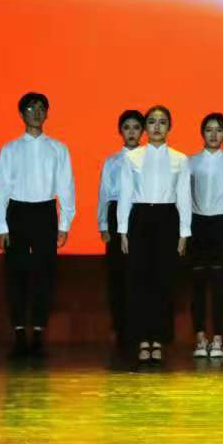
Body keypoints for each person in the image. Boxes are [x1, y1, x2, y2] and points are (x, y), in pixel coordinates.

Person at [0, 91, 75, 357]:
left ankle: (38, 331)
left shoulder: (58, 149)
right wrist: (1, 226)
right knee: (16, 273)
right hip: (17, 212)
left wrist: (64, 224)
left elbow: (66, 188)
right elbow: (0, 189)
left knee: (44, 273)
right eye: (30, 108)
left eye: (41, 108)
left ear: (47, 113)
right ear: (21, 114)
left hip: (45, 212)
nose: (36, 113)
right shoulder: (10, 149)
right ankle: (18, 331)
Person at [118, 104, 191, 364]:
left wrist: (184, 233)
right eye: (151, 122)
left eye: (162, 122)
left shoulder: (180, 159)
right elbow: (125, 195)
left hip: (167, 219)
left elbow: (184, 196)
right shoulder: (132, 158)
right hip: (140, 218)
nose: (157, 127)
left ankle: (158, 339)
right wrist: (123, 231)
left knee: (163, 281)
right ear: (145, 128)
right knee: (140, 282)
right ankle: (142, 339)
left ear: (169, 127)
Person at [188, 112, 223, 360]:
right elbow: (183, 197)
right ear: (202, 133)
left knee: (220, 286)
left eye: (219, 130)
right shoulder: (190, 162)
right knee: (197, 285)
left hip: (221, 224)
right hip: (196, 224)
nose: (213, 135)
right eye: (209, 129)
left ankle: (219, 338)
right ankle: (200, 337)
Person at [96, 109, 142, 350]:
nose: (131, 132)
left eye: (136, 127)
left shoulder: (149, 159)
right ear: (120, 131)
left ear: (142, 131)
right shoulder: (112, 161)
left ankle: (139, 327)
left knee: (140, 272)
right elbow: (104, 193)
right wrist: (103, 223)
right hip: (115, 214)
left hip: (141, 214)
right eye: (127, 127)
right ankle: (120, 327)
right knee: (118, 273)